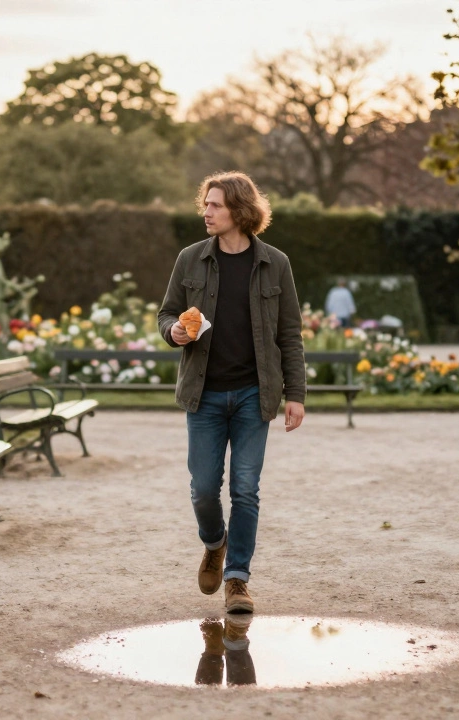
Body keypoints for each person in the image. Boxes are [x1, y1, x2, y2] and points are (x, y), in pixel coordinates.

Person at [158, 171, 307, 615]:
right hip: (202, 395)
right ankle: (214, 543)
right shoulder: (190, 259)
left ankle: (237, 579)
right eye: (205, 204)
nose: (206, 212)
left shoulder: (275, 263)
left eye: (215, 205)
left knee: (245, 488)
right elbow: (167, 313)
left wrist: (295, 393)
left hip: (252, 396)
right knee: (204, 489)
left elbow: (289, 333)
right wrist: (174, 334)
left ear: (240, 210)